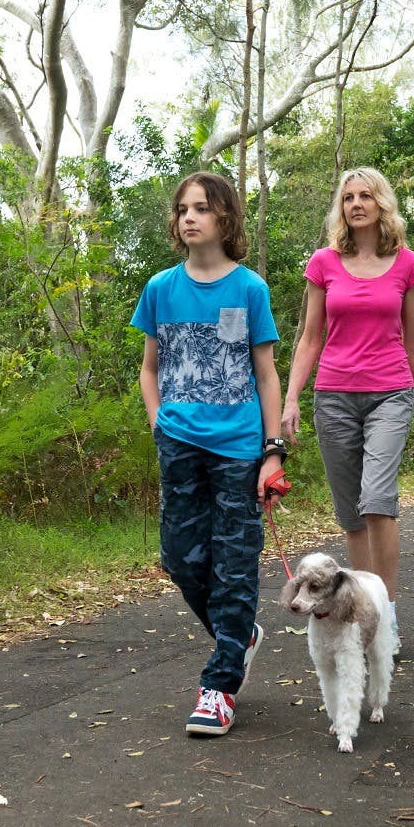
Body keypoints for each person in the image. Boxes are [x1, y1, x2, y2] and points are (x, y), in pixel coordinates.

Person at [132, 171, 288, 737]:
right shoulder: (160, 289)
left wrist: (273, 453)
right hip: (177, 442)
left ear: (225, 218)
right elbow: (150, 369)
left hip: (238, 449)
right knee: (179, 557)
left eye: (201, 207)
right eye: (181, 209)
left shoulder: (249, 289)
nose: (188, 217)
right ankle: (239, 633)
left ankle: (219, 686)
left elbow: (267, 376)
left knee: (234, 562)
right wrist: (159, 424)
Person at [281, 168, 414, 652]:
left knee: (377, 499)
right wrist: (291, 400)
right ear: (341, 207)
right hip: (334, 395)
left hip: (391, 392)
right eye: (348, 197)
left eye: (366, 196)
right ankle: (360, 612)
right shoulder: (324, 263)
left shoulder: (407, 264)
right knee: (352, 513)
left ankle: (384, 614)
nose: (357, 204)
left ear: (381, 204)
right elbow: (310, 338)